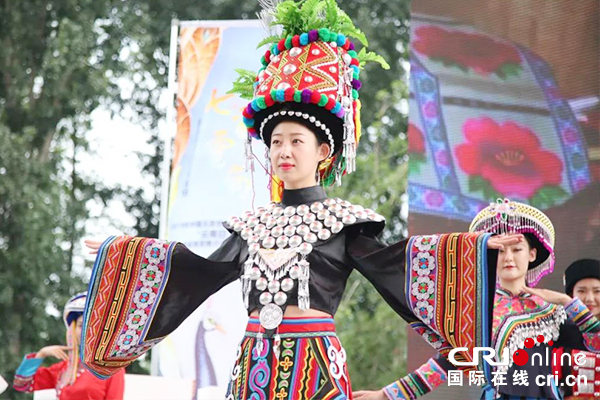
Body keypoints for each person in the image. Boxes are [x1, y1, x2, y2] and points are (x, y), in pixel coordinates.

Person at [80, 1, 521, 399]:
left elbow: (398, 264)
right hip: (251, 368)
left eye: (295, 141)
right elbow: (196, 273)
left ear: (324, 151)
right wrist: (121, 254)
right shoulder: (249, 226)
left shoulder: (347, 223)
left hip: (316, 373)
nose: (283, 151)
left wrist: (476, 251)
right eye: (275, 142)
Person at [355, 200, 600, 400]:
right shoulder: (478, 312)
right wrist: (385, 395)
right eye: (500, 250)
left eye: (516, 249)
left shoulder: (551, 312)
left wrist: (568, 303)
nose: (508, 258)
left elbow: (595, 345)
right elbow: (447, 363)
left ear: (532, 254)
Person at [13, 292, 125, 400]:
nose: (86, 331)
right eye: (81, 326)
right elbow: (21, 383)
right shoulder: (65, 368)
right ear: (73, 329)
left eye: (93, 325)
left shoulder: (111, 368)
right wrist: (42, 353)